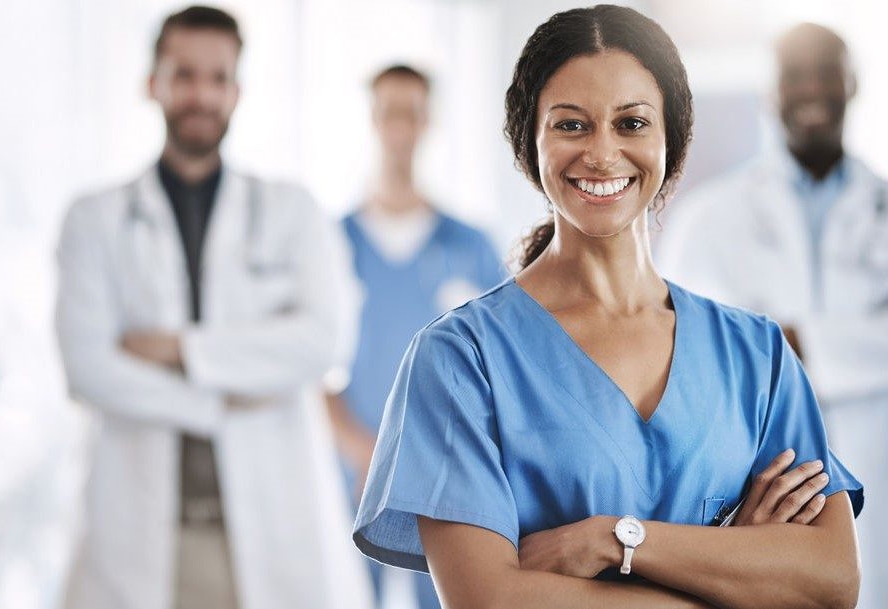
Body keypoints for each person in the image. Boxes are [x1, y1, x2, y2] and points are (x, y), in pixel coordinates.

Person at [352, 6, 863, 609]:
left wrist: (616, 542)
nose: (601, 153)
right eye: (571, 125)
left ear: (671, 137)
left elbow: (832, 580)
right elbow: (488, 601)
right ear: (528, 141)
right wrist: (735, 576)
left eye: (632, 123)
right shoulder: (461, 360)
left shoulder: (757, 355)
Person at [55, 6, 371, 609]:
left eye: (216, 78)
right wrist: (223, 398)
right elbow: (86, 366)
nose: (201, 94)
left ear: (237, 90)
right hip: (141, 530)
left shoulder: (293, 212)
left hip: (271, 522)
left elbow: (323, 343)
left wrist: (178, 350)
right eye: (185, 74)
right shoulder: (95, 220)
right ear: (153, 83)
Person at [656, 22, 885, 609]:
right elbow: (683, 354)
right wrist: (826, 345)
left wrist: (793, 341)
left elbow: (750, 349)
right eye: (794, 75)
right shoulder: (709, 220)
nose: (811, 88)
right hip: (754, 480)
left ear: (853, 84)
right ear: (769, 93)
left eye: (826, 71)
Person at [326, 64, 504, 609]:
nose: (401, 126)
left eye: (412, 112)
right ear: (372, 120)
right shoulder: (332, 245)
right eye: (389, 112)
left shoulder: (470, 245)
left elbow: (497, 370)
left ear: (429, 121)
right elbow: (308, 367)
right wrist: (363, 453)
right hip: (351, 470)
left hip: (444, 474)